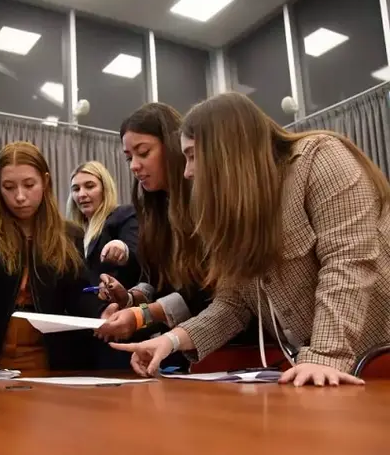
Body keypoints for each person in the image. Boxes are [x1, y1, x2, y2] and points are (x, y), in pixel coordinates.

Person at [111, 92, 390, 386]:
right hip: (321, 372)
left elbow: (348, 261)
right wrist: (169, 341)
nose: (188, 172)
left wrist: (324, 356)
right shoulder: (231, 210)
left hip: (375, 359)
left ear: (227, 149)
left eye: (192, 155)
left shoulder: (320, 158)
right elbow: (232, 304)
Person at [0, 142, 116, 372]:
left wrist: (101, 311)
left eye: (29, 185)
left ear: (45, 181)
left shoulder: (69, 234)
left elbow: (78, 292)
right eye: (8, 187)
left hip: (46, 355)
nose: (19, 196)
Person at [96, 104, 209, 351]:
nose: (134, 165)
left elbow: (207, 295)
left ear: (172, 148)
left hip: (227, 344)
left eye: (143, 152)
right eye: (129, 157)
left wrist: (141, 315)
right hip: (180, 349)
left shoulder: (206, 204)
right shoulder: (154, 209)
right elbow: (153, 280)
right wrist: (128, 298)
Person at [66, 161, 139, 289]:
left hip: (118, 303)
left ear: (105, 189)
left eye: (89, 186)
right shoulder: (73, 231)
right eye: (76, 189)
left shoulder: (122, 215)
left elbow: (136, 256)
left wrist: (122, 249)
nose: (81, 194)